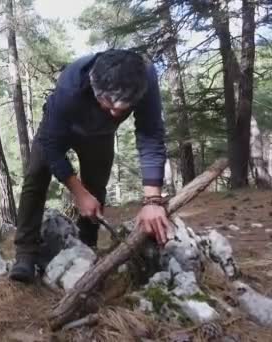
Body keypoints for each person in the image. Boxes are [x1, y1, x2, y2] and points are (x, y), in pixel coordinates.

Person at [9, 49, 171, 283]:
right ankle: (25, 252)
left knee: (96, 188)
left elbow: (150, 135)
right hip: (59, 131)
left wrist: (153, 201)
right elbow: (51, 146)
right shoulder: (70, 87)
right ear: (94, 87)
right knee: (36, 176)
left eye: (123, 108)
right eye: (108, 105)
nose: (115, 113)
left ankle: (87, 246)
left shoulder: (144, 77)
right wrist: (78, 192)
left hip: (100, 136)